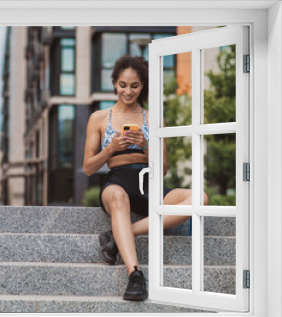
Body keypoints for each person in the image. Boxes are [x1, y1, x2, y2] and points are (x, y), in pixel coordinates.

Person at [82, 55, 209, 301]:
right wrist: (110, 149)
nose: (128, 91)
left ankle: (119, 235)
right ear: (114, 83)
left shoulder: (153, 117)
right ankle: (135, 275)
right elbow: (88, 167)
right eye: (122, 85)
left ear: (142, 86)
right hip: (116, 181)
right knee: (118, 196)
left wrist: (146, 146)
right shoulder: (98, 118)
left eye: (134, 86)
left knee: (200, 198)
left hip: (149, 180)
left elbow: (162, 169)